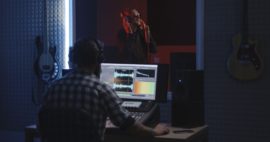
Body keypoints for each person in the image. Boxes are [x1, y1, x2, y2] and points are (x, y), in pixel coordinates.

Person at [39, 38, 169, 141]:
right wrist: (154, 131)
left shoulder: (52, 88)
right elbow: (129, 126)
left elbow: (41, 125)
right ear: (98, 60)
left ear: (73, 59)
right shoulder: (101, 90)